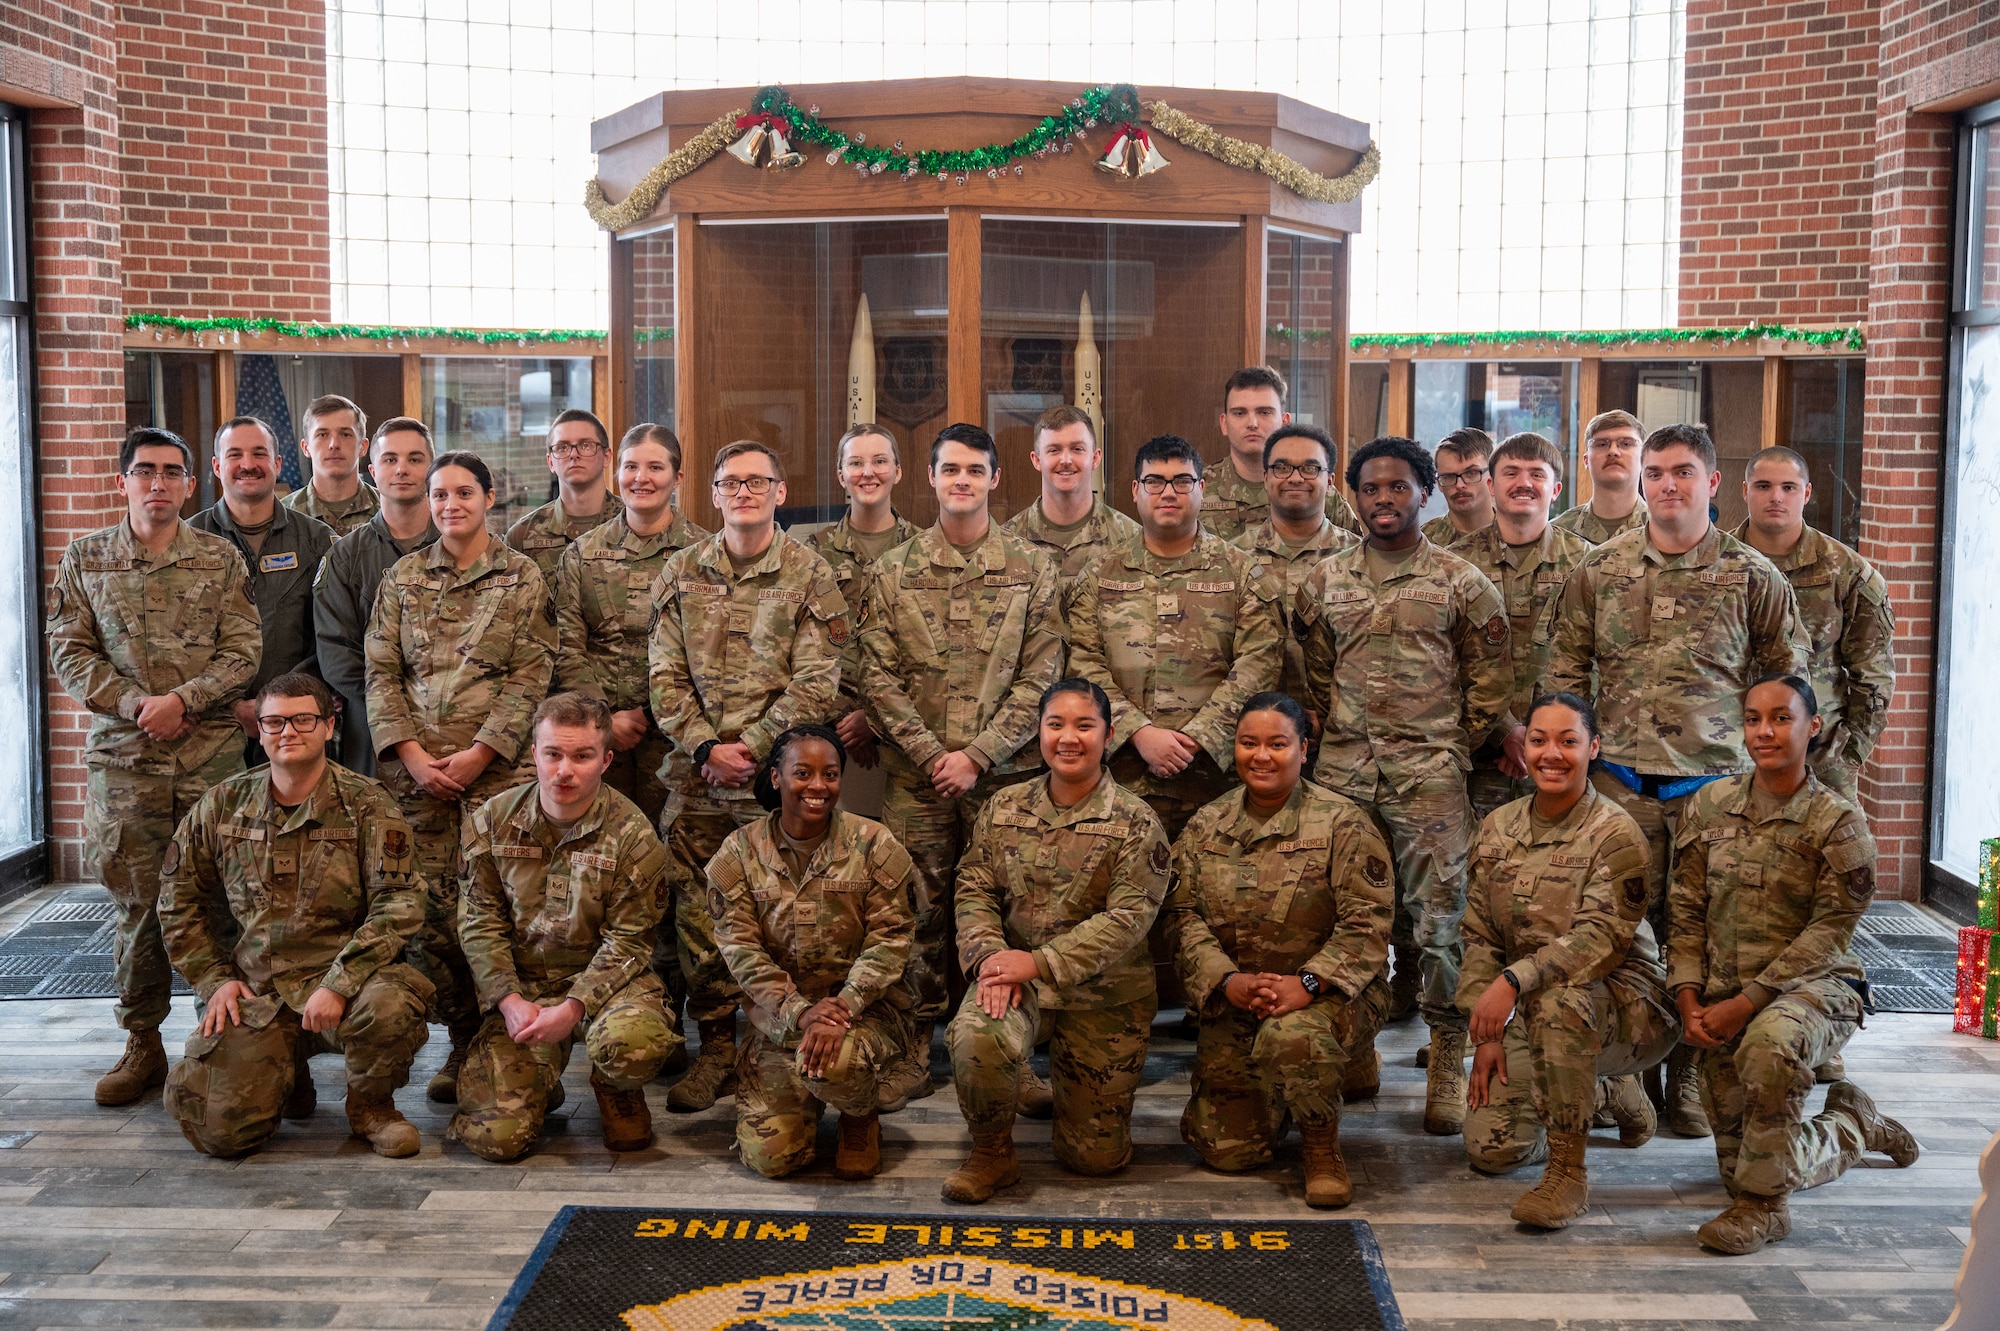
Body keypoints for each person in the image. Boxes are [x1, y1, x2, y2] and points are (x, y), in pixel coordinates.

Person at [1545, 423, 1808, 1137]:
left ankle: (1691, 1073)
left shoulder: (1754, 578)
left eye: (1683, 472)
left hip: (1716, 791)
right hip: (1621, 786)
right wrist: (1578, 764)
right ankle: (1624, 1072)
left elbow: (1786, 688)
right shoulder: (1600, 571)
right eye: (1656, 471)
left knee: (1709, 940)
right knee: (1615, 933)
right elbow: (1565, 672)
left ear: (1712, 484)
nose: (1667, 484)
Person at [1295, 435, 1510, 1134]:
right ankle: (1355, 1043)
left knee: (1443, 924)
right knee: (1343, 918)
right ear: (1350, 496)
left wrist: (1446, 744)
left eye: (1397, 487)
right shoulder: (1323, 582)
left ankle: (1449, 1050)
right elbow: (1314, 677)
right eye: (1369, 488)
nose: (1382, 500)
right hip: (1344, 778)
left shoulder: (1462, 582)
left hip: (1430, 780)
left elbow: (1489, 684)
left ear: (1426, 493)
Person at [47, 426, 261, 1107]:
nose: (159, 483)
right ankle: (142, 1041)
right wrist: (140, 703)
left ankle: (228, 1036)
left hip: (210, 757)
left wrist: (184, 700)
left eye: (172, 472)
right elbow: (71, 653)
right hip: (126, 763)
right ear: (123, 482)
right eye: (145, 471)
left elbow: (243, 649)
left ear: (192, 484)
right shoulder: (86, 559)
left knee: (224, 900)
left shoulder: (219, 559)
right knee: (138, 905)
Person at [1669, 674, 1919, 1255]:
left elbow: (1831, 932)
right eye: (1754, 718)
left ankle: (1765, 1211)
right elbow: (1684, 912)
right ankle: (1855, 1126)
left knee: (1769, 1047)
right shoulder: (1710, 805)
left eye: (1781, 718)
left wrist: (1746, 1002)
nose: (1765, 731)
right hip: (1725, 994)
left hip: (1817, 988)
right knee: (1749, 1162)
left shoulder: (1837, 822)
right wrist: (1688, 997)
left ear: (1814, 727)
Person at [859, 422, 1064, 1113]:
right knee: (913, 912)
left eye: (976, 470)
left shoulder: (1033, 570)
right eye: (950, 470)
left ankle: (1014, 1051)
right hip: (918, 780)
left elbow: (1044, 676)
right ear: (932, 477)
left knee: (1017, 915)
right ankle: (915, 1049)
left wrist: (976, 756)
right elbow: (876, 676)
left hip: (1007, 779)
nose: (963, 482)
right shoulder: (894, 570)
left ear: (997, 478)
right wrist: (932, 754)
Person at [648, 440, 848, 1112]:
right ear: (711, 493)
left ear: (781, 491)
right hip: (697, 780)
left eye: (757, 481)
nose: (744, 492)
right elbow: (663, 676)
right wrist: (708, 745)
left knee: (789, 920)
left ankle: (781, 1046)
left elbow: (818, 679)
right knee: (702, 923)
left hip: (777, 783)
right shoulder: (679, 571)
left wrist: (755, 746)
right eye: (731, 482)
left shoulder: (809, 574)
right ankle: (714, 1054)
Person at [157, 672, 430, 1159]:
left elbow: (401, 902)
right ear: (258, 731)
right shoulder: (221, 805)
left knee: (393, 1004)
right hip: (257, 989)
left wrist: (340, 982)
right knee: (220, 1135)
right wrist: (213, 980)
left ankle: (371, 1108)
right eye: (275, 721)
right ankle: (285, 1075)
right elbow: (178, 900)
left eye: (304, 719)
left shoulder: (367, 803)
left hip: (346, 985)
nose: (289, 732)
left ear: (329, 726)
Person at [365, 450, 556, 1103]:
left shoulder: (522, 577)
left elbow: (532, 673)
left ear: (489, 497)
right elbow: (381, 673)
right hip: (418, 783)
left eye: (463, 493)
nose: (449, 505)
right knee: (435, 917)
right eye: (439, 494)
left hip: (498, 777)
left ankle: (514, 1043)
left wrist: (481, 752)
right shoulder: (403, 578)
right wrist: (413, 757)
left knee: (501, 908)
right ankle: (461, 1041)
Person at [942, 679, 1171, 1204]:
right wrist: (989, 961)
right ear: (1039, 734)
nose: (1069, 738)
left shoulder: (1137, 821)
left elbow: (1128, 919)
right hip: (1015, 982)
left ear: (1110, 735)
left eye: (1084, 726)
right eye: (1056, 725)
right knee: (977, 1035)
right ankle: (992, 1151)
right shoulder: (1002, 806)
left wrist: (1037, 962)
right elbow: (973, 886)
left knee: (1093, 1161)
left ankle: (1051, 1085)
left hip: (1106, 997)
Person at [1163, 693, 1394, 1208]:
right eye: (1249, 743)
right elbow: (1180, 916)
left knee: (1293, 1039)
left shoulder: (1343, 823)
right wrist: (1225, 981)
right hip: (1241, 997)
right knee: (1228, 1152)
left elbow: (1369, 924)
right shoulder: (1206, 825)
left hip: (1331, 995)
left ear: (1304, 749)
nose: (1261, 756)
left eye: (1277, 744)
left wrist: (1308, 984)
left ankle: (1321, 1142)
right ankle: (1298, 1084)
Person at [1459, 692, 1677, 1229]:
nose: (1551, 753)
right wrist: (1486, 1037)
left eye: (1568, 741)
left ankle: (1567, 1175)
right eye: (1538, 740)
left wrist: (1513, 981)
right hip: (1533, 1002)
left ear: (1593, 747)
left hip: (1629, 1005)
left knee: (1560, 1002)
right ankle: (1603, 1092)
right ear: (1524, 747)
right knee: (1493, 1150)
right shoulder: (1498, 828)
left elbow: (1598, 939)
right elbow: (1480, 933)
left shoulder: (1615, 832)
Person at [453, 693, 680, 1161]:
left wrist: (574, 1007)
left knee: (633, 1044)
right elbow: (480, 922)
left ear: (607, 760)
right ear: (534, 754)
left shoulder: (635, 836)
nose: (565, 771)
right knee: (495, 1140)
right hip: (525, 986)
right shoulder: (492, 821)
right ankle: (538, 1082)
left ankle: (615, 1087)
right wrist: (508, 1001)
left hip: (610, 984)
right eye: (553, 754)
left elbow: (629, 942)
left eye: (582, 756)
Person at [708, 724, 918, 1179]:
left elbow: (892, 940)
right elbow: (741, 952)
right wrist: (801, 1012)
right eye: (802, 773)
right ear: (776, 777)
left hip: (862, 1015)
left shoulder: (875, 844)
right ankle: (789, 1088)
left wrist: (842, 1006)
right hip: (781, 1018)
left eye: (831, 774)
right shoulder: (739, 853)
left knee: (839, 1065)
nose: (818, 787)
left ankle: (859, 1116)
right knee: (774, 1159)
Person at [1067, 434, 1285, 840]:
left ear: (1202, 489)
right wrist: (1139, 732)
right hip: (1121, 776)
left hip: (1215, 779)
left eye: (1182, 481)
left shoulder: (1240, 572)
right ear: (1135, 490)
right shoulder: (1101, 574)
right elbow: (1080, 661)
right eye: (1155, 481)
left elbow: (1260, 661)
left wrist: (1197, 738)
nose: (1168, 492)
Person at [555, 423, 710, 825]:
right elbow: (566, 646)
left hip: (680, 738)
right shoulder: (583, 554)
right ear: (616, 472)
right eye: (630, 467)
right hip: (596, 736)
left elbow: (713, 653)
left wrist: (660, 715)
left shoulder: (704, 556)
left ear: (677, 477)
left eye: (655, 468)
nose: (640, 478)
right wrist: (605, 719)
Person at [1446, 432, 1593, 820]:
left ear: (1556, 489)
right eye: (1511, 472)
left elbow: (1600, 659)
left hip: (1562, 761)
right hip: (1476, 758)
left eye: (1536, 474)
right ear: (1491, 485)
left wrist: (1543, 736)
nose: (1524, 483)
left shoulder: (1591, 565)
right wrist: (1505, 731)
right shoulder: (1451, 566)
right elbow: (1441, 660)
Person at [1734, 448, 1894, 802]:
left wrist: (1847, 756)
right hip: (1729, 757)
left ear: (1806, 494)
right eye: (1763, 486)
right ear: (1744, 491)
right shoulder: (1718, 564)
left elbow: (1873, 676)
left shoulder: (1846, 572)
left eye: (1789, 487)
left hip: (1820, 762)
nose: (1776, 497)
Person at [191, 416, 336, 765]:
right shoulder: (188, 541)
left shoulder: (318, 540)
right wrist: (230, 707)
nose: (248, 465)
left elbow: (334, 635)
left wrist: (279, 704)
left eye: (259, 453)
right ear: (216, 466)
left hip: (298, 724)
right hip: (210, 729)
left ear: (277, 463)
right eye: (235, 454)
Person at [314, 418, 439, 777]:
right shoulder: (345, 558)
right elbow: (336, 655)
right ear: (372, 470)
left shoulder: (459, 547)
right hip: (373, 733)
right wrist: (397, 709)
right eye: (390, 459)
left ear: (432, 468)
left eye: (415, 459)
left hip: (456, 724)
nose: (402, 468)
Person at [810, 423, 918, 772]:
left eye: (880, 462)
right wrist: (845, 719)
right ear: (841, 474)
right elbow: (803, 647)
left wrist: (872, 720)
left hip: (908, 732)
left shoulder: (924, 551)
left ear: (898, 472)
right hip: (828, 732)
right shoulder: (814, 553)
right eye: (855, 463)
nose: (868, 472)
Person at [1232, 421, 1358, 713]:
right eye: (1282, 467)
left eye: (1310, 468)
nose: (1296, 477)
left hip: (1340, 734)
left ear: (1330, 481)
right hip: (1254, 735)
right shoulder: (1232, 558)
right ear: (1265, 478)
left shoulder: (1357, 557)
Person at [1200, 366, 1361, 542]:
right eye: (1240, 413)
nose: (1252, 423)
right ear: (1224, 423)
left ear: (1285, 422)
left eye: (1264, 412)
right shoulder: (1197, 489)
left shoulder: (1316, 490)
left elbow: (1355, 553)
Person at [1001, 403, 1142, 597]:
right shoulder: (1006, 543)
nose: (1066, 460)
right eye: (1054, 450)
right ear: (1036, 460)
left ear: (1095, 458)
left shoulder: (1131, 539)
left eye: (1077, 449)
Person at [506, 408, 619, 579]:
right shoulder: (522, 536)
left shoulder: (631, 522)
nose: (574, 454)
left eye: (585, 445)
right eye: (562, 447)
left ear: (607, 456)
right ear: (550, 461)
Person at [282, 394, 381, 537]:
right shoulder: (283, 515)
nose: (334, 444)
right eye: (322, 435)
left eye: (345, 434)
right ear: (306, 447)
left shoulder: (387, 512)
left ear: (363, 446)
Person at [1552, 411, 1649, 545]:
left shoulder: (1664, 530)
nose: (1613, 452)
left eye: (1626, 444)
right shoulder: (1557, 534)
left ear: (1644, 458)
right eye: (1602, 444)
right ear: (1586, 460)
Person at [1421, 428, 1495, 545]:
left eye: (1471, 473)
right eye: (1448, 476)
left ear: (1493, 475)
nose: (1460, 485)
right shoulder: (1422, 543)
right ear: (1439, 484)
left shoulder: (1519, 536)